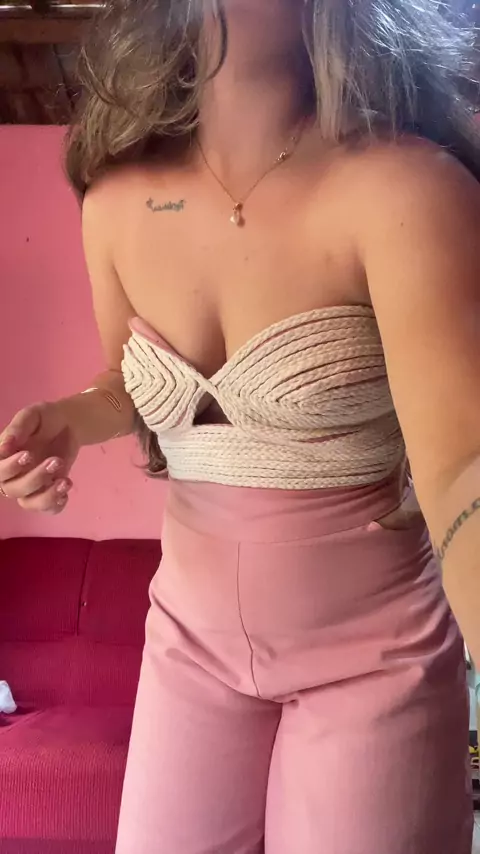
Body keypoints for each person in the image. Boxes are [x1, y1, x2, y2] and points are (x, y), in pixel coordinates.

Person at [1, 0, 480, 851]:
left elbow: (461, 468)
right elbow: (130, 380)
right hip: (188, 646)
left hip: (376, 655)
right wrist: (71, 420)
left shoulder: (406, 191)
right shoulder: (116, 204)